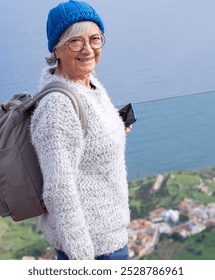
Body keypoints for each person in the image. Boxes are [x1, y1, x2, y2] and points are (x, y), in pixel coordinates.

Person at [30, 0, 132, 260]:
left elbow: (88, 142)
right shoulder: (57, 107)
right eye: (75, 41)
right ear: (57, 48)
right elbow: (58, 191)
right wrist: (82, 260)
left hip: (112, 238)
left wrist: (117, 130)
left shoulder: (89, 85)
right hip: (92, 250)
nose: (88, 50)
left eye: (95, 39)